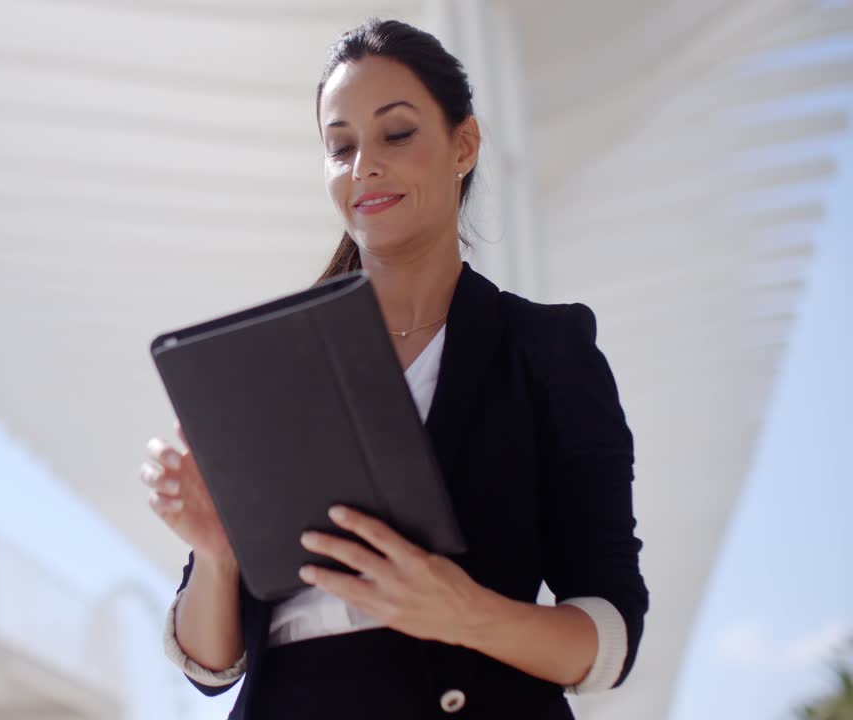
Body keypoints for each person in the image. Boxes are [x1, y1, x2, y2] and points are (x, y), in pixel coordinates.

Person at [140, 18, 648, 719]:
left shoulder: (546, 349)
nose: (364, 167)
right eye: (340, 146)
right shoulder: (273, 367)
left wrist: (463, 612)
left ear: (464, 145)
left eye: (397, 133)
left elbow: (611, 636)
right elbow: (212, 666)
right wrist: (218, 554)